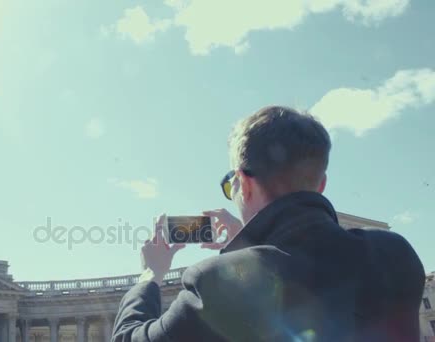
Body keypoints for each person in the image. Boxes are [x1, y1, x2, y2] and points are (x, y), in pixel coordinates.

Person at [112, 106, 425, 341]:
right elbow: (313, 266)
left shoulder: (217, 282)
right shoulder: (393, 254)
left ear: (244, 184)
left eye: (230, 185)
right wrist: (249, 246)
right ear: (321, 184)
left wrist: (150, 275)